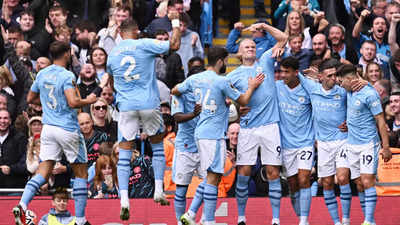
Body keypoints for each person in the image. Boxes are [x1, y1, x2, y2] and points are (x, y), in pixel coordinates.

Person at [13, 41, 108, 225]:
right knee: (81, 172)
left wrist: (50, 105)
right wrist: (88, 100)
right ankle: (80, 220)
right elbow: (73, 102)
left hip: (48, 127)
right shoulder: (66, 75)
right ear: (67, 54)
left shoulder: (42, 73)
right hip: (67, 127)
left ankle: (23, 205)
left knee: (43, 170)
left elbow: (31, 98)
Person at [172, 46, 264, 225]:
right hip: (213, 135)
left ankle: (191, 213)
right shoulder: (221, 81)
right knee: (213, 178)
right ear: (221, 61)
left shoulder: (194, 79)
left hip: (200, 133)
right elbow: (244, 100)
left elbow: (175, 90)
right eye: (226, 62)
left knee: (211, 177)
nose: (226, 66)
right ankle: (209, 221)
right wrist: (252, 87)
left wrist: (179, 93)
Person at [106, 16, 181, 220]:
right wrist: (174, 23)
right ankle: (158, 189)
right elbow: (174, 44)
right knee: (157, 147)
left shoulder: (113, 54)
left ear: (120, 34)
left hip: (127, 106)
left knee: (123, 155)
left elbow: (111, 83)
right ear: (137, 31)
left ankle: (123, 200)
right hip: (148, 103)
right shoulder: (144, 44)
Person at [226, 36, 284, 225]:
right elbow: (222, 98)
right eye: (247, 47)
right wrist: (237, 106)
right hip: (248, 128)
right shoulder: (233, 75)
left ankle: (275, 219)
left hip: (270, 126)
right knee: (243, 171)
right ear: (240, 52)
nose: (251, 48)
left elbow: (283, 39)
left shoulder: (266, 61)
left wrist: (264, 27)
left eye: (253, 46)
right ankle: (241, 217)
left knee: (273, 171)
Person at [298, 59, 362, 225]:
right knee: (326, 183)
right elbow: (292, 73)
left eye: (335, 74)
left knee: (342, 178)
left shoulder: (342, 92)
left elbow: (356, 108)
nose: (335, 78)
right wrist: (307, 72)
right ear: (321, 77)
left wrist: (349, 122)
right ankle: (336, 221)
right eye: (330, 75)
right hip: (323, 144)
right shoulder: (312, 88)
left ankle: (346, 219)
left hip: (342, 141)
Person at [336, 64, 392, 225]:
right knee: (359, 183)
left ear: (349, 79)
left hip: (368, 143)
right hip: (352, 144)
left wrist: (385, 147)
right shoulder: (349, 91)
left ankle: (368, 221)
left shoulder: (369, 93)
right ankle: (370, 219)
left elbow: (381, 121)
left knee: (367, 180)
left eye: (342, 81)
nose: (340, 84)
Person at [275, 56, 314, 225]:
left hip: (306, 142)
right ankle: (301, 217)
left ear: (296, 72)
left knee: (304, 179)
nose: (283, 75)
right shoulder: (276, 87)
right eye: (281, 71)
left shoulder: (307, 90)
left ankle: (304, 221)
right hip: (286, 144)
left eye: (286, 72)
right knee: (293, 184)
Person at [170, 74, 202, 223]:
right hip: (185, 146)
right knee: (181, 190)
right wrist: (193, 114)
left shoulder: (207, 93)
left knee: (209, 183)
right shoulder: (178, 94)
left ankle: (193, 214)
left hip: (205, 144)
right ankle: (179, 221)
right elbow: (176, 117)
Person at [0, 109, 28, 189]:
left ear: (10, 121)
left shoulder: (20, 138)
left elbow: (25, 163)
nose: (2, 121)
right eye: (0, 118)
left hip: (15, 188)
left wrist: (11, 169)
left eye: (5, 118)